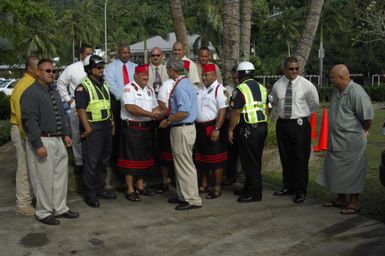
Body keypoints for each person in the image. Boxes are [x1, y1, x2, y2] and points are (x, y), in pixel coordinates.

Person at [21, 59, 79, 225]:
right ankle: (44, 212)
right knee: (43, 179)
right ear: (38, 72)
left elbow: (61, 114)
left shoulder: (54, 91)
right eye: (47, 71)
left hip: (57, 138)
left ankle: (60, 208)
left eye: (53, 71)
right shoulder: (30, 93)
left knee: (60, 176)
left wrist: (66, 134)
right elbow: (29, 121)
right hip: (43, 140)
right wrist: (38, 144)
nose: (51, 74)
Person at [316, 64, 373, 214]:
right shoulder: (337, 91)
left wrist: (364, 131)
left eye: (332, 77)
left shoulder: (356, 92)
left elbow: (367, 117)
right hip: (336, 140)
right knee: (336, 170)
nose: (330, 80)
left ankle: (354, 202)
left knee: (354, 172)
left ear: (341, 77)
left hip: (352, 142)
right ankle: (341, 198)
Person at [271, 57, 319, 203]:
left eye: (297, 69)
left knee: (300, 158)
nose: (294, 71)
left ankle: (300, 190)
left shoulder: (306, 85)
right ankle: (288, 186)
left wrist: (301, 115)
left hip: (299, 125)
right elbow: (275, 103)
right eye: (291, 69)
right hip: (283, 124)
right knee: (286, 157)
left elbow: (314, 103)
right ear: (284, 69)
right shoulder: (277, 85)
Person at [159, 57, 202, 211]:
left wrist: (168, 121)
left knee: (185, 164)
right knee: (181, 163)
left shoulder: (181, 87)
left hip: (182, 127)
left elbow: (183, 112)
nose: (167, 71)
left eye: (168, 69)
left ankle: (192, 199)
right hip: (184, 128)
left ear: (173, 70)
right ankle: (184, 195)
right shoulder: (184, 83)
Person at [75, 55, 117, 208]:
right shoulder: (83, 86)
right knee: (91, 163)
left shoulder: (103, 84)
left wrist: (112, 123)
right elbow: (80, 109)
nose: (102, 69)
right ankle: (90, 194)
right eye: (98, 67)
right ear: (89, 69)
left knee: (103, 161)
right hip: (93, 128)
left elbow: (107, 105)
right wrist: (87, 128)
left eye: (102, 67)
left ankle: (100, 189)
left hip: (105, 126)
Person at [116, 64, 162, 202]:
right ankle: (130, 189)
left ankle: (140, 186)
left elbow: (155, 106)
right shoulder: (128, 88)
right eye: (142, 74)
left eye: (146, 74)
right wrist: (151, 114)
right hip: (132, 129)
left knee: (143, 159)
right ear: (135, 75)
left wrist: (160, 112)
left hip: (146, 128)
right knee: (130, 161)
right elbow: (130, 108)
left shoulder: (149, 89)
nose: (145, 77)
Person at [227, 61, 268, 203]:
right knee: (251, 159)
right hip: (261, 127)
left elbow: (236, 112)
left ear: (239, 74)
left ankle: (255, 192)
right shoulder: (262, 87)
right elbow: (266, 108)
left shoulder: (240, 89)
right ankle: (248, 187)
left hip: (248, 128)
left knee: (251, 161)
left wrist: (231, 130)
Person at [57, 44, 94, 193]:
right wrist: (68, 99)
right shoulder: (72, 68)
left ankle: (91, 161)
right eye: (86, 54)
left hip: (93, 107)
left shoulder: (95, 67)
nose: (89, 56)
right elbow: (60, 83)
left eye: (91, 53)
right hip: (76, 106)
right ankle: (79, 162)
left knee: (92, 134)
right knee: (77, 134)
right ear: (80, 55)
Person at [10, 56, 39, 216]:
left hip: (29, 131)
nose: (41, 71)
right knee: (24, 168)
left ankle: (30, 199)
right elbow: (22, 116)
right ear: (30, 69)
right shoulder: (22, 87)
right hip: (22, 131)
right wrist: (27, 135)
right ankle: (23, 203)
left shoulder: (32, 84)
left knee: (31, 166)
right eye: (38, 68)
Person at [105, 43, 137, 189]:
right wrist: (124, 98)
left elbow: (136, 83)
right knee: (118, 135)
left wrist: (132, 99)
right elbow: (111, 84)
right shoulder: (111, 67)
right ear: (119, 53)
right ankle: (117, 166)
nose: (126, 55)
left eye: (128, 52)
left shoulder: (134, 67)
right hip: (119, 102)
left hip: (133, 103)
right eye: (124, 52)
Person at [195, 63, 228, 199]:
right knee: (202, 159)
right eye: (202, 75)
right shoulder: (200, 90)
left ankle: (217, 187)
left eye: (206, 75)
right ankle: (203, 184)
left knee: (216, 161)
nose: (204, 77)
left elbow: (222, 110)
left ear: (214, 75)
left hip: (212, 128)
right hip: (200, 129)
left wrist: (217, 128)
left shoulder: (219, 89)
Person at [155, 78, 175, 194]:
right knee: (165, 155)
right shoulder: (166, 85)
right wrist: (171, 115)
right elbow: (162, 103)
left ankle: (179, 182)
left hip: (181, 122)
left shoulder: (187, 83)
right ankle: (164, 183)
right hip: (167, 122)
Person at [223, 65, 240, 186]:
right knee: (231, 152)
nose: (236, 80)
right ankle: (231, 176)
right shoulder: (227, 89)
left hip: (243, 123)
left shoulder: (246, 89)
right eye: (234, 78)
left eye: (238, 77)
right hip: (230, 123)